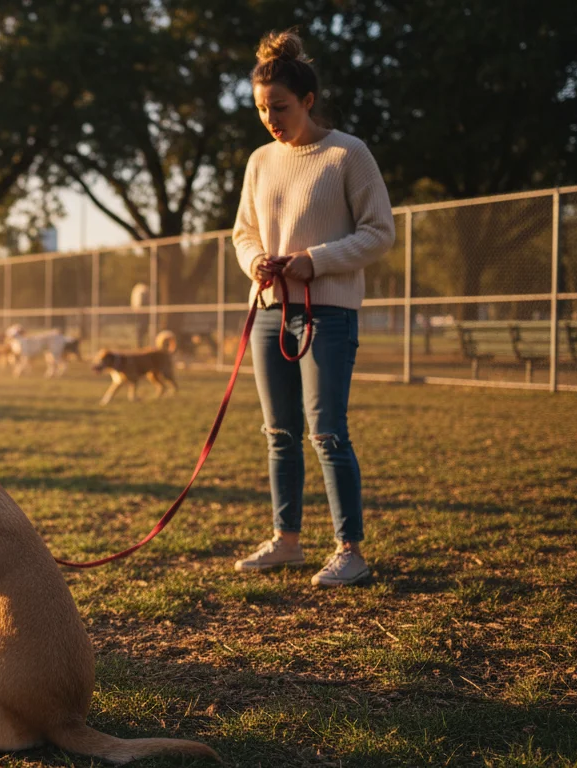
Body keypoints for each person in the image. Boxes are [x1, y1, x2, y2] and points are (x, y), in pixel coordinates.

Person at [230, 30, 395, 587]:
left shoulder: (348, 153)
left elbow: (380, 233)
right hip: (271, 311)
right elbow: (243, 233)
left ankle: (350, 550)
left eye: (278, 107)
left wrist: (314, 260)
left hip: (327, 312)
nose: (270, 118)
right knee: (279, 432)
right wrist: (255, 262)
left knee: (326, 430)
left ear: (307, 100)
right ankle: (287, 541)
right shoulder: (259, 161)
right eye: (260, 109)